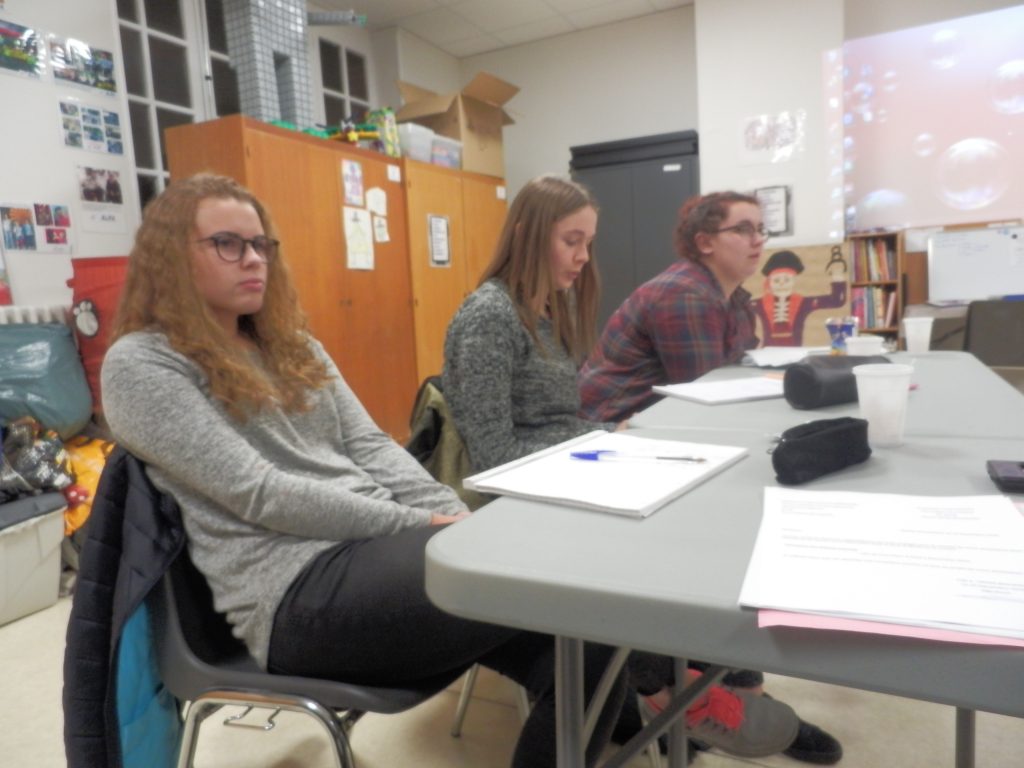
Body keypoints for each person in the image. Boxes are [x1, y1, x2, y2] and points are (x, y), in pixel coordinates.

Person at [99, 173, 628, 768]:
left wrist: (451, 515)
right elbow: (261, 493)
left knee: (595, 635)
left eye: (261, 245)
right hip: (295, 591)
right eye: (228, 244)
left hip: (374, 554)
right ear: (171, 255)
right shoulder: (142, 365)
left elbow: (374, 447)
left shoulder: (291, 345)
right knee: (572, 581)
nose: (253, 259)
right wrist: (421, 523)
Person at [443, 176, 805, 761]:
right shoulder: (490, 314)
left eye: (588, 242)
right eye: (572, 241)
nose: (584, 257)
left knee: (690, 516)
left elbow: (557, 419)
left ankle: (698, 684)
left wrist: (607, 435)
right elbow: (493, 455)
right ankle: (669, 693)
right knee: (645, 554)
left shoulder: (549, 308)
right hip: (513, 502)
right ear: (528, 235)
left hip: (560, 471)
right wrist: (597, 443)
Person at [578, 191, 763, 424]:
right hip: (609, 426)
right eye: (743, 229)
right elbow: (705, 396)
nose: (758, 240)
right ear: (705, 243)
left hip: (649, 421)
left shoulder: (734, 298)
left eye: (760, 229)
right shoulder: (685, 296)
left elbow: (739, 370)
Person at [751, 248, 847, 346]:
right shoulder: (759, 304)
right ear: (769, 282)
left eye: (787, 280)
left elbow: (837, 300)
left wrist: (837, 275)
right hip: (767, 351)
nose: (781, 284)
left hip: (796, 351)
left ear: (794, 281)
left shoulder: (803, 303)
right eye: (776, 281)